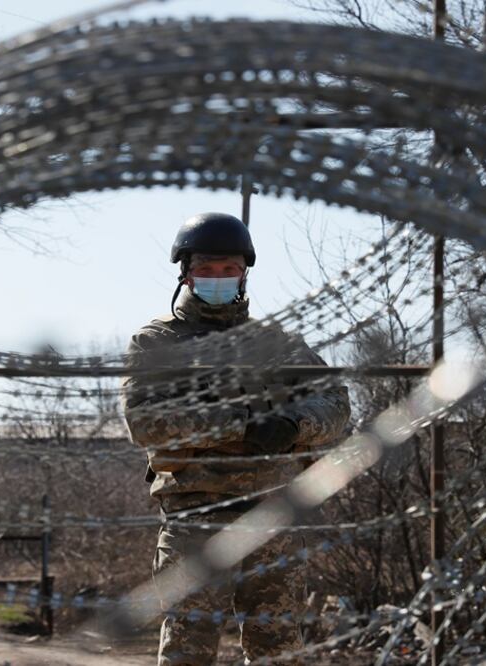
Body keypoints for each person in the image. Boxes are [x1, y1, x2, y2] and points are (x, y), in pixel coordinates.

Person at [121, 212, 351, 665]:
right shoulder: (158, 342)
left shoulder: (278, 344)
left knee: (278, 649)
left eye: (229, 269)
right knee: (189, 649)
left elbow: (336, 404)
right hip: (195, 515)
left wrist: (292, 426)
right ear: (186, 272)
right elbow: (145, 421)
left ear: (244, 272)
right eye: (206, 269)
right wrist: (243, 423)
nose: (218, 278)